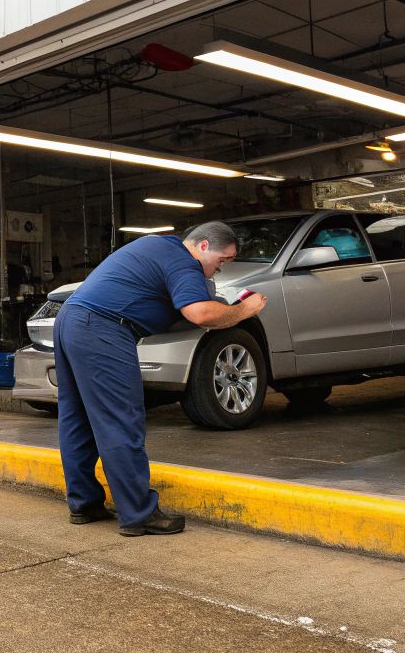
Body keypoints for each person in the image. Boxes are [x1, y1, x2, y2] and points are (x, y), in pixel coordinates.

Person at [53, 220, 267, 535]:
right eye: (222, 261)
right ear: (203, 246)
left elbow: (181, 311)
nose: (219, 270)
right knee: (120, 420)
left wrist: (219, 307)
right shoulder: (184, 261)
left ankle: (84, 503)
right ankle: (138, 513)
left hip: (72, 319)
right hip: (102, 329)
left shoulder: (160, 248)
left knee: (78, 419)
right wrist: (244, 310)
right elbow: (200, 313)